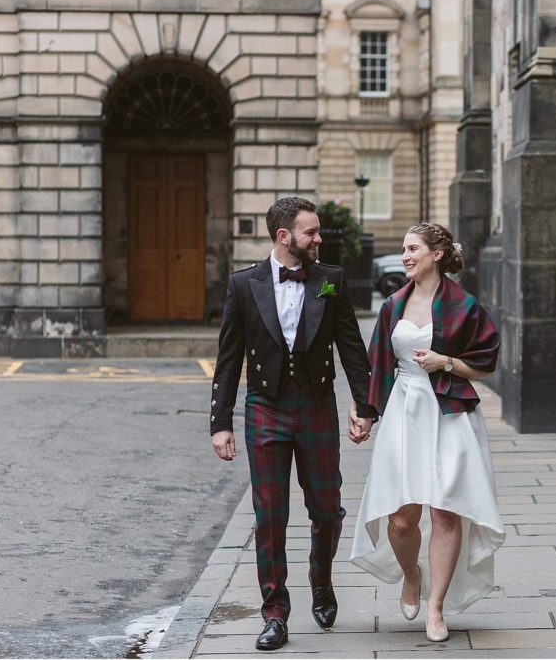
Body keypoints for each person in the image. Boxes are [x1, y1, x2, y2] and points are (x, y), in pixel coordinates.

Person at [210, 197, 377, 651]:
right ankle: (275, 613)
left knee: (326, 508)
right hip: (265, 406)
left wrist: (365, 407)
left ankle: (320, 580)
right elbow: (228, 360)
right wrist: (220, 422)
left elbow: (352, 348)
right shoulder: (245, 285)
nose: (319, 239)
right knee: (270, 515)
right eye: (311, 232)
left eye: (318, 231)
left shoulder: (331, 281)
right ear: (284, 237)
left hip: (317, 405)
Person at [349, 222, 505, 643]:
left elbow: (486, 364)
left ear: (436, 254)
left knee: (444, 511)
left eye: (413, 248)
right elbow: (377, 363)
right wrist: (365, 412)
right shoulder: (393, 304)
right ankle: (411, 575)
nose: (405, 255)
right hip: (404, 410)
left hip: (449, 413)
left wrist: (446, 362)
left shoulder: (465, 305)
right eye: (403, 249)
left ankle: (436, 608)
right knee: (401, 519)